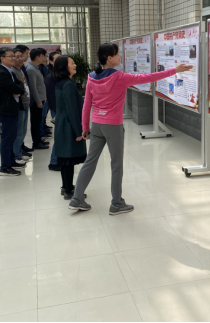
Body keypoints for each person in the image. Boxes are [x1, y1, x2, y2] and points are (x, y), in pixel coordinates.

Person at [69, 44, 193, 215]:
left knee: (90, 161)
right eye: (117, 54)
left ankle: (76, 199)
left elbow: (86, 105)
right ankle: (116, 203)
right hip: (113, 126)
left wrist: (85, 126)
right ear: (109, 58)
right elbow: (148, 77)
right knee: (116, 164)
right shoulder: (120, 77)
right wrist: (174, 70)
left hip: (96, 124)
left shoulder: (91, 77)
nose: (119, 56)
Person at [53, 55, 87, 198]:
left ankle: (66, 186)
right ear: (64, 67)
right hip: (68, 126)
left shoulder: (61, 82)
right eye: (72, 63)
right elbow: (72, 109)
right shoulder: (68, 84)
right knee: (68, 159)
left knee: (65, 159)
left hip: (63, 124)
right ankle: (68, 191)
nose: (75, 65)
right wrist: (79, 131)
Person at [0, 47, 26, 177]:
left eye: (14, 56)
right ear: (2, 58)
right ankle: (5, 167)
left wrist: (18, 90)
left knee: (12, 136)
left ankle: (11, 161)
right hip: (6, 109)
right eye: (11, 56)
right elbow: (15, 87)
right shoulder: (1, 72)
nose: (14, 58)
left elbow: (20, 86)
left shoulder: (9, 71)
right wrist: (17, 90)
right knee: (7, 138)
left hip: (12, 108)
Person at [11, 48, 33, 164]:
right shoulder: (13, 71)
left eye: (21, 56)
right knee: (19, 132)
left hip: (25, 103)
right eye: (17, 57)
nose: (21, 59)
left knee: (23, 131)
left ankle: (19, 152)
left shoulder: (21, 70)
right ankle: (16, 155)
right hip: (19, 105)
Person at [27, 48, 50, 150]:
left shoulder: (36, 68)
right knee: (35, 122)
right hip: (37, 101)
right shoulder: (31, 69)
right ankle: (36, 142)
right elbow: (33, 87)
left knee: (39, 120)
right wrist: (38, 101)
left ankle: (38, 139)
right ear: (37, 57)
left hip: (41, 100)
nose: (45, 58)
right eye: (43, 56)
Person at [46, 51, 61, 171]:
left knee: (62, 135)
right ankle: (54, 161)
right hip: (58, 110)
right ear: (51, 62)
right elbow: (52, 96)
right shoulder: (51, 76)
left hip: (61, 109)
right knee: (59, 135)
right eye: (57, 59)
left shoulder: (60, 74)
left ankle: (58, 160)